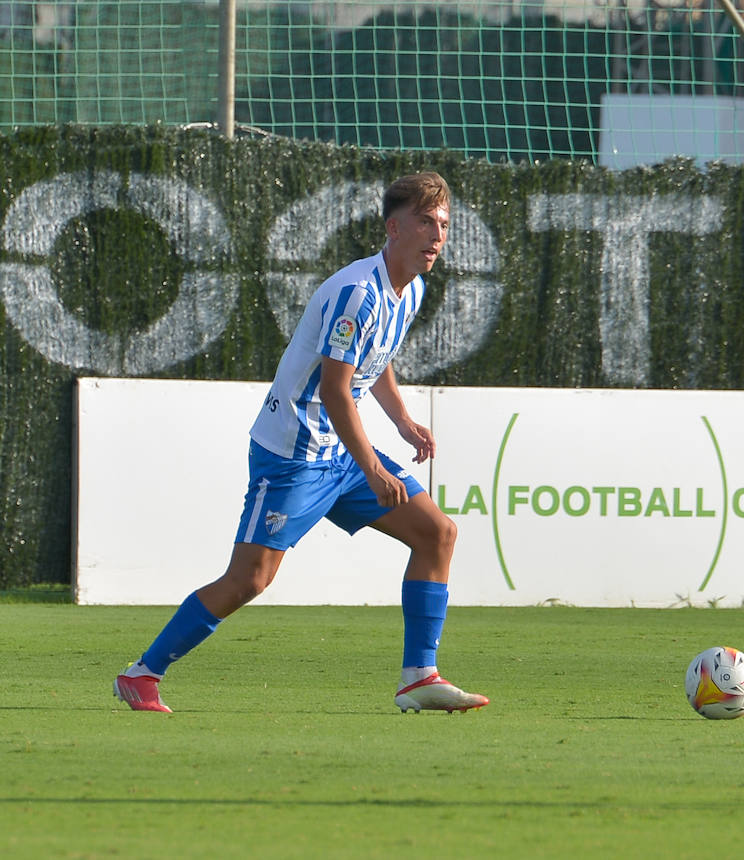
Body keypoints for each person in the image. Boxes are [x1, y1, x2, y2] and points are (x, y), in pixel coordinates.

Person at [115, 171, 488, 715]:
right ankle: (142, 673)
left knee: (437, 533)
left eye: (445, 225)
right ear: (394, 227)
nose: (437, 235)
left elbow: (372, 364)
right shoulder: (357, 294)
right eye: (427, 222)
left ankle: (419, 677)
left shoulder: (410, 291)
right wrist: (375, 467)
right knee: (251, 578)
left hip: (339, 453)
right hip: (292, 456)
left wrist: (403, 419)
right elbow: (336, 392)